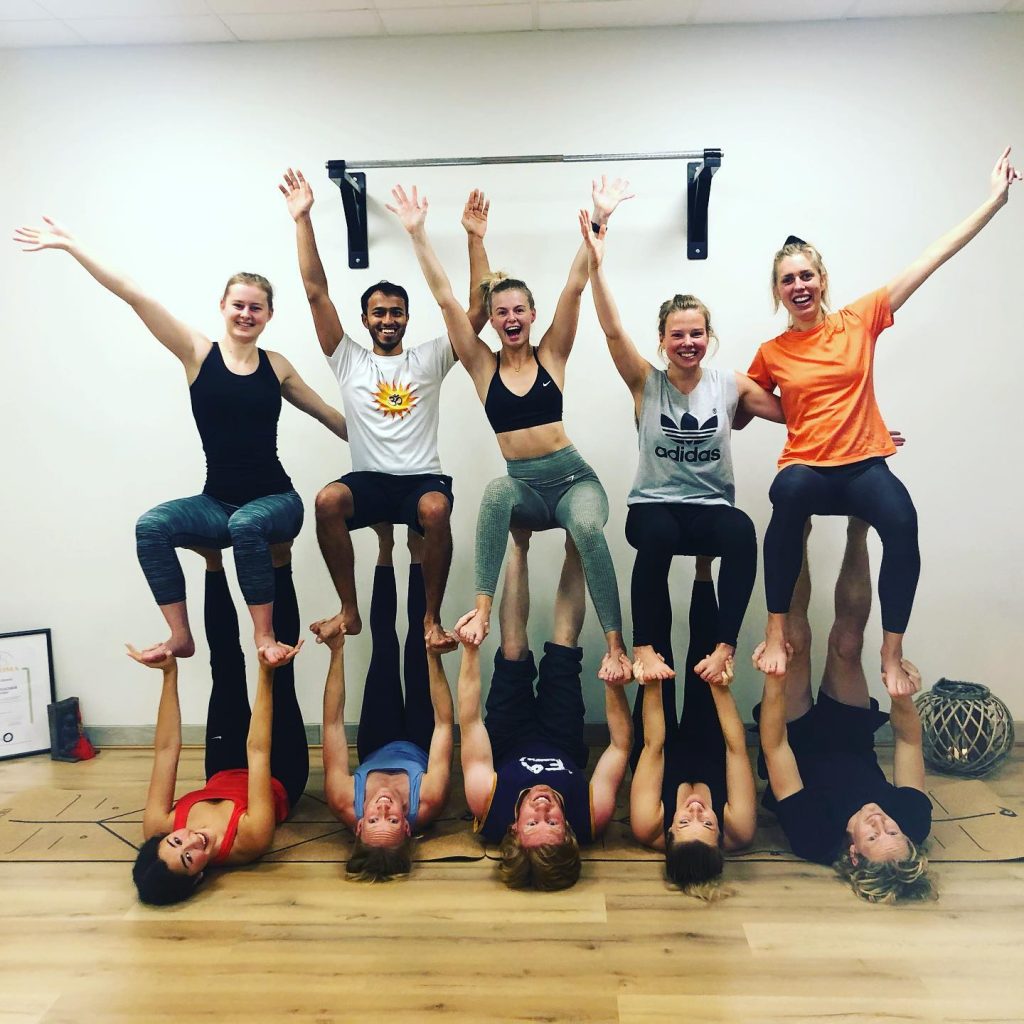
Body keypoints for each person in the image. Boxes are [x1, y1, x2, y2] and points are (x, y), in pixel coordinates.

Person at [12, 217, 348, 664]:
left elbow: (327, 414)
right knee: (152, 526)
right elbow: (135, 294)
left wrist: (388, 439)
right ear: (223, 306)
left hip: (277, 502)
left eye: (256, 308)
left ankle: (264, 636)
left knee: (246, 524)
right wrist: (74, 246)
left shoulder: (277, 365)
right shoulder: (197, 354)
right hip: (217, 503)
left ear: (269, 315)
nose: (246, 314)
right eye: (238, 305)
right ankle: (179, 636)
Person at [750, 148, 1021, 693]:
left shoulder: (859, 318)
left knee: (902, 522)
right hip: (808, 467)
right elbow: (747, 401)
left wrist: (993, 202)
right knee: (786, 496)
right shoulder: (772, 351)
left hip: (862, 468)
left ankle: (892, 653)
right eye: (787, 279)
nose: (799, 285)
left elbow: (931, 258)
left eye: (806, 275)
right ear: (777, 290)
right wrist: (806, 420)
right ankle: (776, 630)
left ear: (822, 279)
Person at [388, 180, 635, 683]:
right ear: (494, 322)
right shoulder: (482, 365)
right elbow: (446, 300)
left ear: (532, 315)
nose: (510, 317)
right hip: (525, 487)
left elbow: (574, 285)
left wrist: (600, 218)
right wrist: (417, 234)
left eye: (519, 309)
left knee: (587, 531)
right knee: (497, 491)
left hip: (573, 482)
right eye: (501, 312)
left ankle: (616, 645)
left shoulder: (553, 353)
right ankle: (481, 610)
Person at [579, 210, 784, 685]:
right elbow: (612, 330)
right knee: (658, 534)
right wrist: (596, 265)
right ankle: (644, 646)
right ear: (662, 340)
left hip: (709, 511)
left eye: (696, 333)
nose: (688, 342)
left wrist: (866, 429)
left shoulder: (730, 385)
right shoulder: (645, 382)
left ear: (708, 337)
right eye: (678, 335)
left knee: (741, 530)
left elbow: (795, 412)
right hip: (652, 510)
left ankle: (724, 648)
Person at [279, 169, 459, 653]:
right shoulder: (348, 359)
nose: (387, 320)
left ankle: (432, 619)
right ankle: (349, 610)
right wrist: (302, 219)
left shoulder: (430, 358)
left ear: (407, 318)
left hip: (421, 480)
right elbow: (316, 291)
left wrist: (439, 236)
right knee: (326, 501)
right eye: (379, 312)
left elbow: (470, 314)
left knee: (436, 509)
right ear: (364, 319)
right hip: (370, 481)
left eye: (396, 312)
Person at [755, 518, 936, 904]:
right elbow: (908, 742)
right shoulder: (914, 821)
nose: (881, 822)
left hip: (795, 745)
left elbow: (774, 746)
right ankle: (859, 529)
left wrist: (775, 678)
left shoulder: (814, 835)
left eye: (873, 836)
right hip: (851, 741)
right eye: (892, 832)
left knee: (795, 638)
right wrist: (901, 695)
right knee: (848, 643)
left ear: (853, 853)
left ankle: (798, 529)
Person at [457, 530, 632, 890]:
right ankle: (575, 541)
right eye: (552, 823)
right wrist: (613, 687)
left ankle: (519, 542)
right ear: (568, 829)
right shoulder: (590, 815)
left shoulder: (487, 802)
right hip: (560, 741)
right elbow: (619, 747)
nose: (542, 809)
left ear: (513, 827)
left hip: (507, 739)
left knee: (512, 650)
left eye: (532, 823)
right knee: (564, 646)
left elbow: (470, 722)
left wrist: (470, 650)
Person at [130, 552, 307, 905]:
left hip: (223, 769)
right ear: (198, 878)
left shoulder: (157, 825)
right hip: (279, 772)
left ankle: (213, 563)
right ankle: (280, 561)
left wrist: (169, 674)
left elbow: (166, 750)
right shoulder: (248, 841)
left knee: (225, 667)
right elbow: (258, 751)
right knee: (280, 669)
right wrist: (266, 673)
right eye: (189, 858)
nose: (193, 841)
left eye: (177, 841)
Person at [320, 526, 455, 881]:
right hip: (421, 740)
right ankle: (417, 551)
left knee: (384, 646)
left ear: (359, 825)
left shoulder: (343, 799)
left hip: (377, 742)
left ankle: (384, 544)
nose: (382, 806)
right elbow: (444, 723)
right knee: (418, 642)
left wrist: (336, 651)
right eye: (393, 819)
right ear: (407, 828)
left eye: (374, 819)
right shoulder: (428, 799)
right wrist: (433, 656)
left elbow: (333, 723)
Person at [628, 557, 757, 899]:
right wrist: (719, 684)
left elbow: (654, 744)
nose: (696, 809)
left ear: (669, 833)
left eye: (684, 822)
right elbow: (736, 748)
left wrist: (652, 678)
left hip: (659, 749)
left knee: (658, 650)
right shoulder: (739, 828)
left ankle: (659, 564)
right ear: (721, 837)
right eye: (708, 823)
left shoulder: (647, 823)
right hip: (710, 748)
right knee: (706, 653)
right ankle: (704, 568)